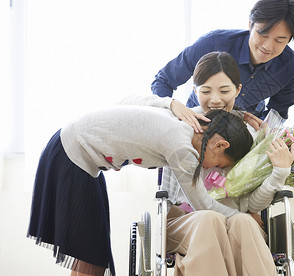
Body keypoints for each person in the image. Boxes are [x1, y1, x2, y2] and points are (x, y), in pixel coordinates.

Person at [27, 99, 253, 276]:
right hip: (73, 156)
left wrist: (171, 103)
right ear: (220, 145)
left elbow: (129, 99)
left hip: (74, 151)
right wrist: (244, 218)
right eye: (220, 164)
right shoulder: (181, 147)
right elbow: (202, 203)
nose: (214, 169)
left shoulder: (183, 120)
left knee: (92, 252)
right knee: (90, 253)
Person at [160, 52, 294, 276]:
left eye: (224, 91)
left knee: (243, 222)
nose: (215, 100)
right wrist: (173, 105)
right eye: (205, 91)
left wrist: (279, 172)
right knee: (210, 218)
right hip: (186, 219)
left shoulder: (250, 133)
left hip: (235, 219)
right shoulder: (179, 127)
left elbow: (252, 204)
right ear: (194, 91)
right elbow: (166, 194)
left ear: (238, 90)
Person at [151, 0, 294, 120]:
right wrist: (172, 111)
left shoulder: (291, 68)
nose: (268, 46)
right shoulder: (213, 43)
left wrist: (260, 139)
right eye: (263, 34)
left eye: (280, 40)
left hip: (240, 137)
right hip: (195, 125)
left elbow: (276, 115)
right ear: (250, 24)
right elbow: (163, 80)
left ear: (289, 39)